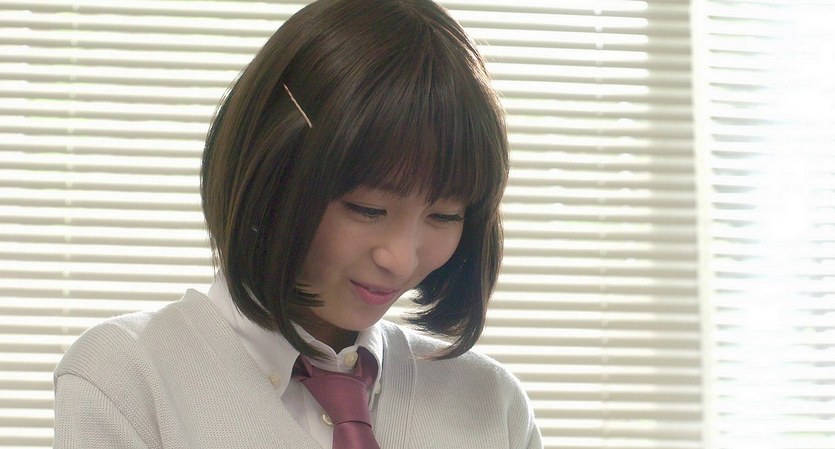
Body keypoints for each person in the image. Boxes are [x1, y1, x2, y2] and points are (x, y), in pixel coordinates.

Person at [53, 0, 542, 447]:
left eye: (444, 215)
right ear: (272, 176)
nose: (400, 258)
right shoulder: (126, 378)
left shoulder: (491, 403)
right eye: (367, 209)